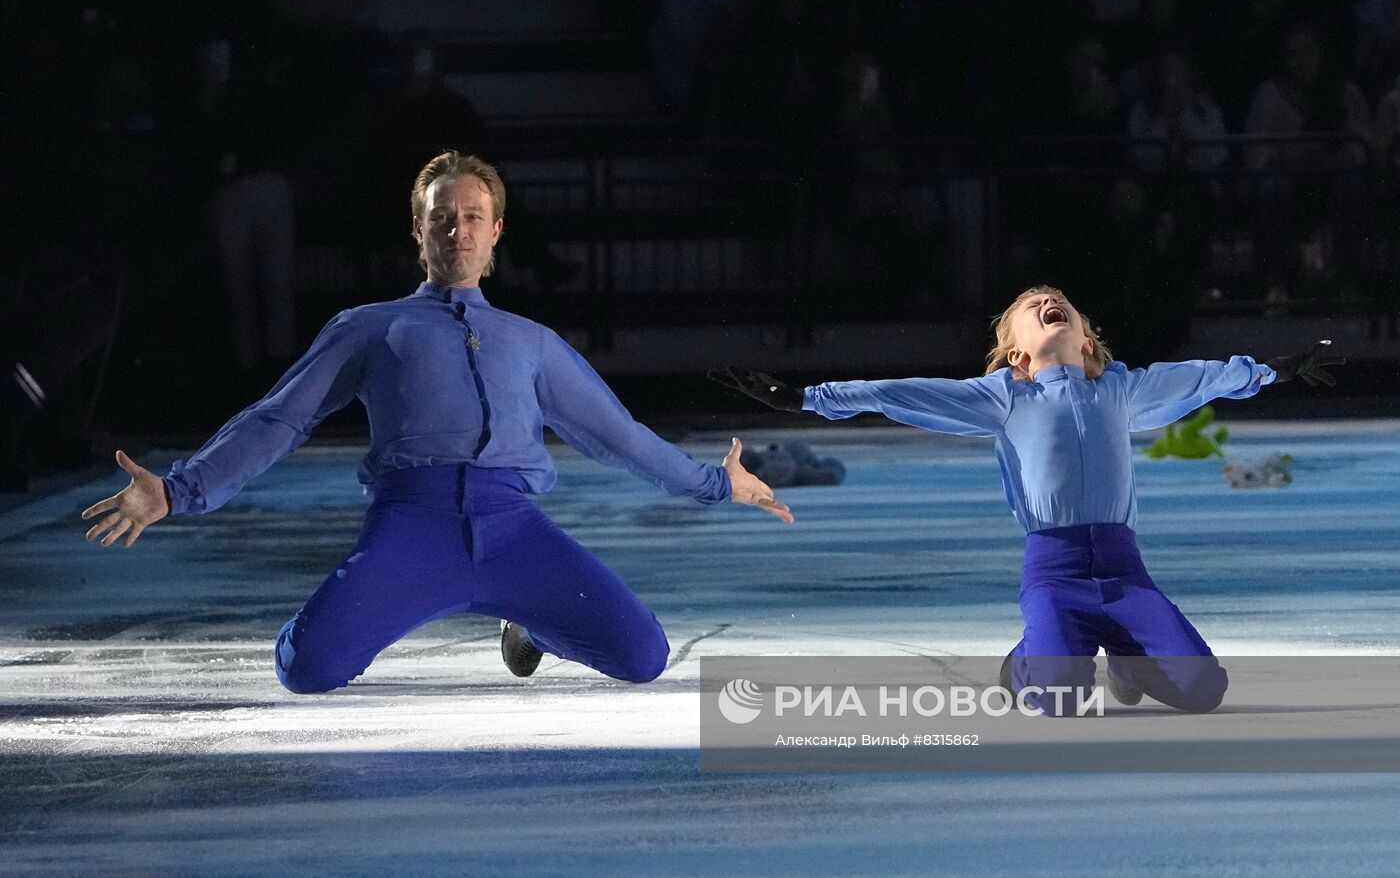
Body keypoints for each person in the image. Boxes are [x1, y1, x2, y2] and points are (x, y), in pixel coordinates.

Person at [81, 151, 793, 693]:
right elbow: (278, 419)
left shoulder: (532, 341)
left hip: (515, 531)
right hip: (410, 530)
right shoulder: (368, 328)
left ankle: (529, 618)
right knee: (307, 669)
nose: (459, 229)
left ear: (496, 234)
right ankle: (393, 605)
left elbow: (617, 435)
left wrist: (715, 483)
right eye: (443, 217)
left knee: (644, 657)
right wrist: (178, 490)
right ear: (420, 231)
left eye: (473, 216)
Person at [712, 285, 1341, 715]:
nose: (1047, 301)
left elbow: (1205, 377)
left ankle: (1126, 656)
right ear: (1015, 352)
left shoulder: (1123, 390)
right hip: (1056, 573)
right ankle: (1024, 664)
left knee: (1204, 689)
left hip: (1126, 574)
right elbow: (896, 392)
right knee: (1058, 701)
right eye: (1032, 306)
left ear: (1088, 342)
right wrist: (804, 398)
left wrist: (1272, 371)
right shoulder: (1002, 397)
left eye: (1059, 302)